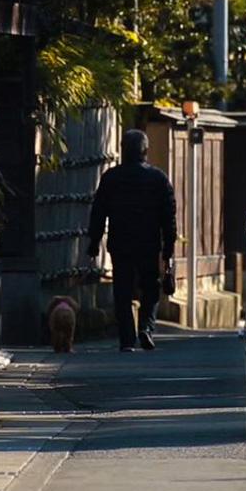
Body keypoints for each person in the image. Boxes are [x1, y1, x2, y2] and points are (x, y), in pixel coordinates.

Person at [88, 129, 177, 352]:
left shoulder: (111, 178)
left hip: (121, 242)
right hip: (149, 242)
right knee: (150, 287)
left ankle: (127, 339)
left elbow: (98, 212)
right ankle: (146, 327)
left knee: (122, 291)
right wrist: (169, 248)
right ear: (145, 151)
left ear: (122, 149)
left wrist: (93, 241)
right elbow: (169, 216)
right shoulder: (158, 179)